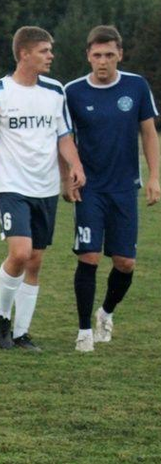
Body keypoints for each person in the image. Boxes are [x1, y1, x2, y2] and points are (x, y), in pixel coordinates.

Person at [0, 26, 86, 351]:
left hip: (46, 187)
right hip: (10, 186)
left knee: (35, 260)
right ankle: (1, 317)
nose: (51, 56)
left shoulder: (55, 92)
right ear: (24, 54)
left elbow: (63, 137)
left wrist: (74, 168)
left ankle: (22, 334)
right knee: (20, 253)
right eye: (44, 50)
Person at [64, 25, 159, 352]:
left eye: (109, 55)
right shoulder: (72, 92)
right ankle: (84, 331)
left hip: (124, 190)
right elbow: (63, 139)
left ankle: (106, 313)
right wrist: (67, 176)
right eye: (96, 55)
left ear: (120, 54)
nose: (102, 61)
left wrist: (154, 177)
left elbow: (149, 133)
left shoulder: (136, 86)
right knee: (88, 256)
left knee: (125, 263)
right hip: (89, 189)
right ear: (88, 56)